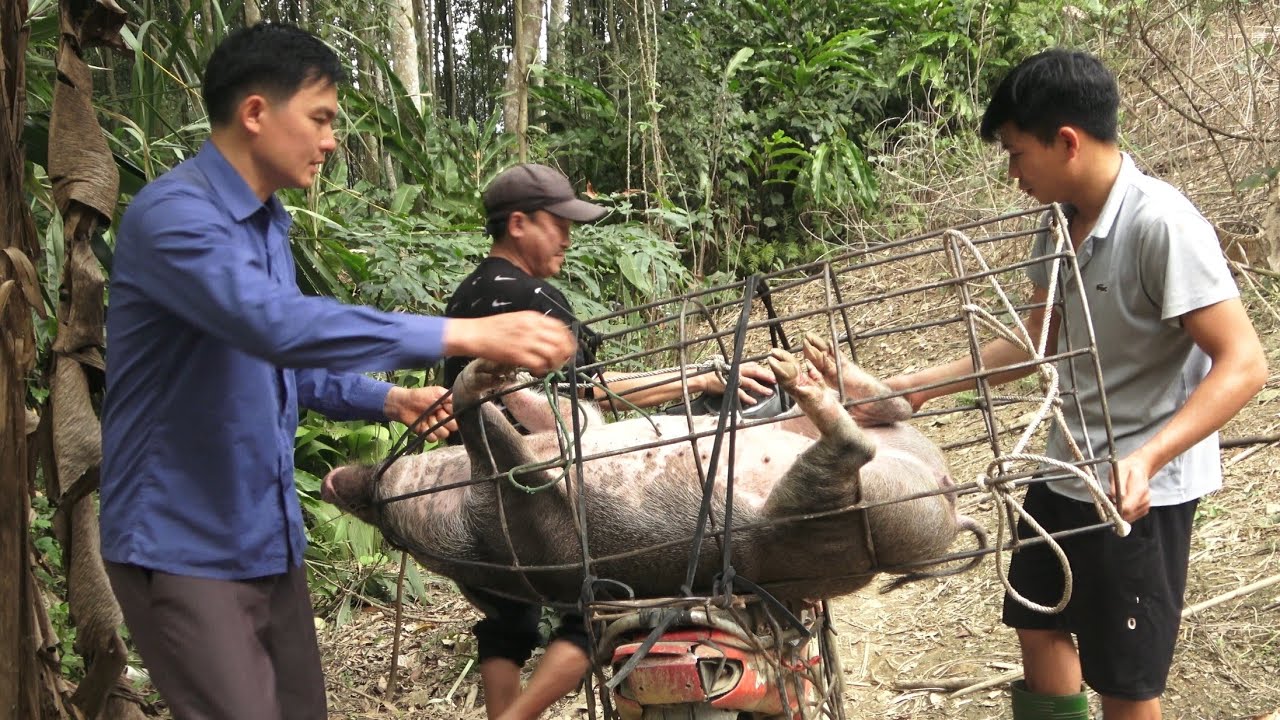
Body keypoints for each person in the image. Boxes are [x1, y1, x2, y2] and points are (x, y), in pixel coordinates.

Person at [98, 23, 575, 720]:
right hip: (184, 542)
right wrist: (464, 332)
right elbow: (277, 325)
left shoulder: (266, 224)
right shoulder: (176, 218)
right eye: (320, 118)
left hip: (263, 532)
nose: (331, 140)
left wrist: (385, 399)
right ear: (257, 112)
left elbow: (272, 361)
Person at [885, 50, 1267, 720]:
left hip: (1137, 490)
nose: (1011, 173)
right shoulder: (1058, 219)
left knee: (1124, 677)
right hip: (1064, 462)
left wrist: (1149, 457)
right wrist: (917, 386)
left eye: (1015, 151)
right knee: (1037, 622)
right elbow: (1038, 343)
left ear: (1067, 141)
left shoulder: (1161, 225)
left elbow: (1244, 363)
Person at [442, 163, 777, 720]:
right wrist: (700, 378)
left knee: (508, 618)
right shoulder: (532, 299)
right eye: (559, 223)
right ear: (519, 224)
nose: (569, 237)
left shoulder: (468, 294)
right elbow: (587, 394)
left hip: (476, 489)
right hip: (541, 487)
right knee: (608, 596)